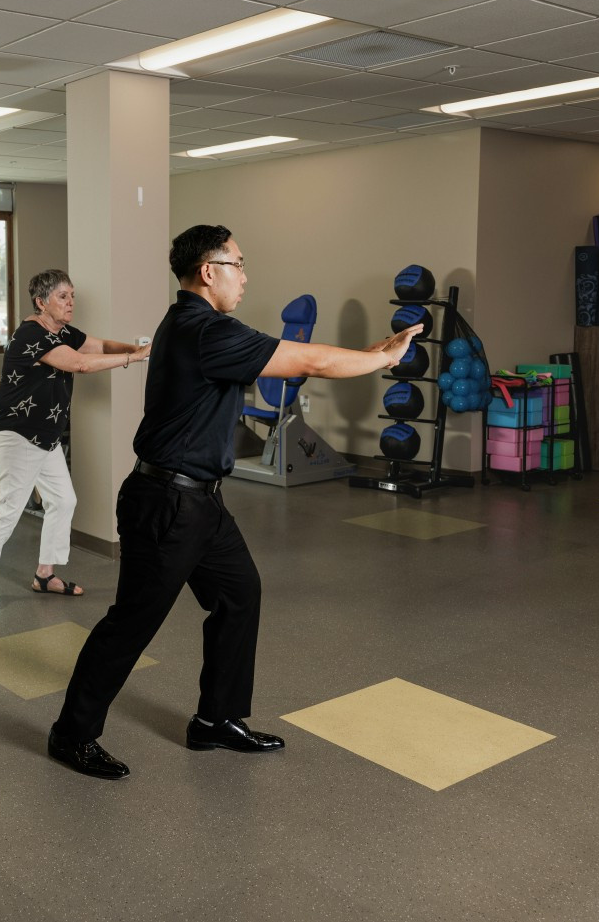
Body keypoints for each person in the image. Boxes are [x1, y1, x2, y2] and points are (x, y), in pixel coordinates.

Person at [47, 225, 422, 778]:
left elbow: (300, 355)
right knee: (131, 623)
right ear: (208, 271)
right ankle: (71, 735)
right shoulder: (203, 329)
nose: (245, 276)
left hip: (201, 502)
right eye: (239, 264)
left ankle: (216, 721)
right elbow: (312, 363)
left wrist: (370, 354)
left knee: (239, 596)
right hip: (167, 503)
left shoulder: (200, 325)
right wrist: (383, 361)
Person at [0, 269, 151, 611]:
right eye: (63, 297)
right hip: (17, 435)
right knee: (9, 507)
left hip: (44, 437)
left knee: (63, 501)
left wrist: (141, 350)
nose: (70, 303)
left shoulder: (62, 331)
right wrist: (132, 359)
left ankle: (45, 574)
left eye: (72, 296)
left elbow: (100, 346)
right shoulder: (30, 335)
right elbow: (80, 364)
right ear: (41, 302)